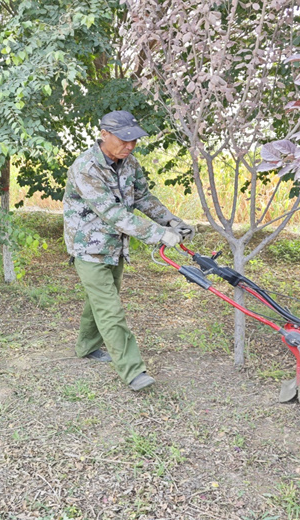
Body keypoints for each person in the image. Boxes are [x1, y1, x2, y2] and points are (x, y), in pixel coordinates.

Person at [63, 110, 195, 391]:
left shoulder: (129, 163)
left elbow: (143, 198)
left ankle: (87, 346)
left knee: (99, 301)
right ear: (104, 135)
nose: (130, 146)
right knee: (110, 310)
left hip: (115, 247)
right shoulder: (86, 168)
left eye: (134, 140)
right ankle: (134, 372)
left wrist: (171, 221)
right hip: (89, 249)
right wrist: (159, 234)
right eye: (124, 140)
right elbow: (113, 213)